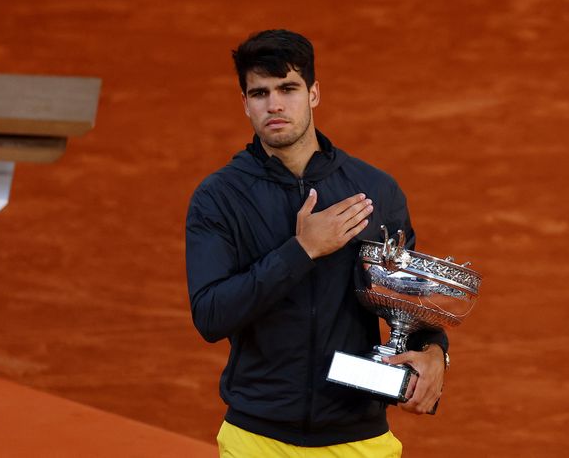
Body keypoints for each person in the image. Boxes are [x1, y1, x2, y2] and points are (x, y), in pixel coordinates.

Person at [186, 29, 448, 457]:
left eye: (288, 88)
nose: (274, 105)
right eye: (259, 93)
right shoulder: (219, 198)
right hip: (257, 440)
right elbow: (212, 315)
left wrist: (435, 352)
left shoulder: (375, 190)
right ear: (245, 104)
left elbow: (408, 301)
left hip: (359, 440)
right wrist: (301, 250)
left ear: (313, 93)